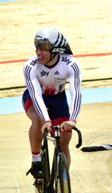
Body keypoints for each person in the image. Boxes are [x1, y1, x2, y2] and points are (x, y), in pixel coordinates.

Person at [22, 28, 82, 179]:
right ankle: (36, 160)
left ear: (55, 51)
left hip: (58, 99)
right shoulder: (30, 66)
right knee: (37, 120)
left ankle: (62, 181)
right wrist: (46, 120)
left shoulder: (71, 65)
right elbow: (36, 96)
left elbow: (76, 93)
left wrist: (72, 120)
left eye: (43, 49)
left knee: (64, 142)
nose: (38, 52)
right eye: (37, 48)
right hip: (34, 96)